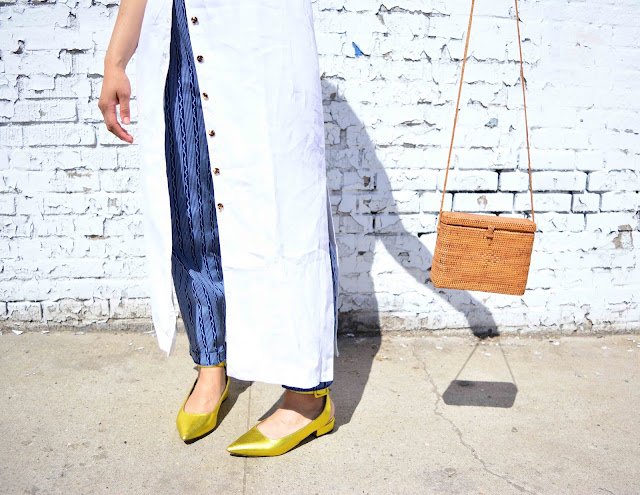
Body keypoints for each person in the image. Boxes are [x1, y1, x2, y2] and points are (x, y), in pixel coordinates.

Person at [98, 0, 339, 457]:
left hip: (264, 39)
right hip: (182, 37)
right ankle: (211, 365)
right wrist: (116, 61)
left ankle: (308, 397)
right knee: (191, 211)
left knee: (288, 214)